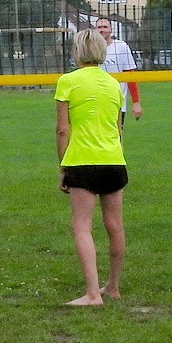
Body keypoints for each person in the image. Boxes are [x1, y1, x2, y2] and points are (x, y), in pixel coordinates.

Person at [54, 29, 126, 306]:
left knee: (82, 227)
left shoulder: (68, 81)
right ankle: (113, 287)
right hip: (114, 160)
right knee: (115, 226)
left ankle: (93, 294)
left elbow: (62, 129)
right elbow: (118, 129)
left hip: (82, 161)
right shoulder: (113, 84)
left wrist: (63, 165)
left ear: (78, 52)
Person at [97, 18, 144, 127]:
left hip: (117, 102)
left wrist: (136, 102)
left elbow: (130, 75)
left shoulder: (121, 47)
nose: (102, 30)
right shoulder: (90, 48)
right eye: (99, 27)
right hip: (95, 101)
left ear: (111, 29)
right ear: (95, 29)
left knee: (117, 134)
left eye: (105, 27)